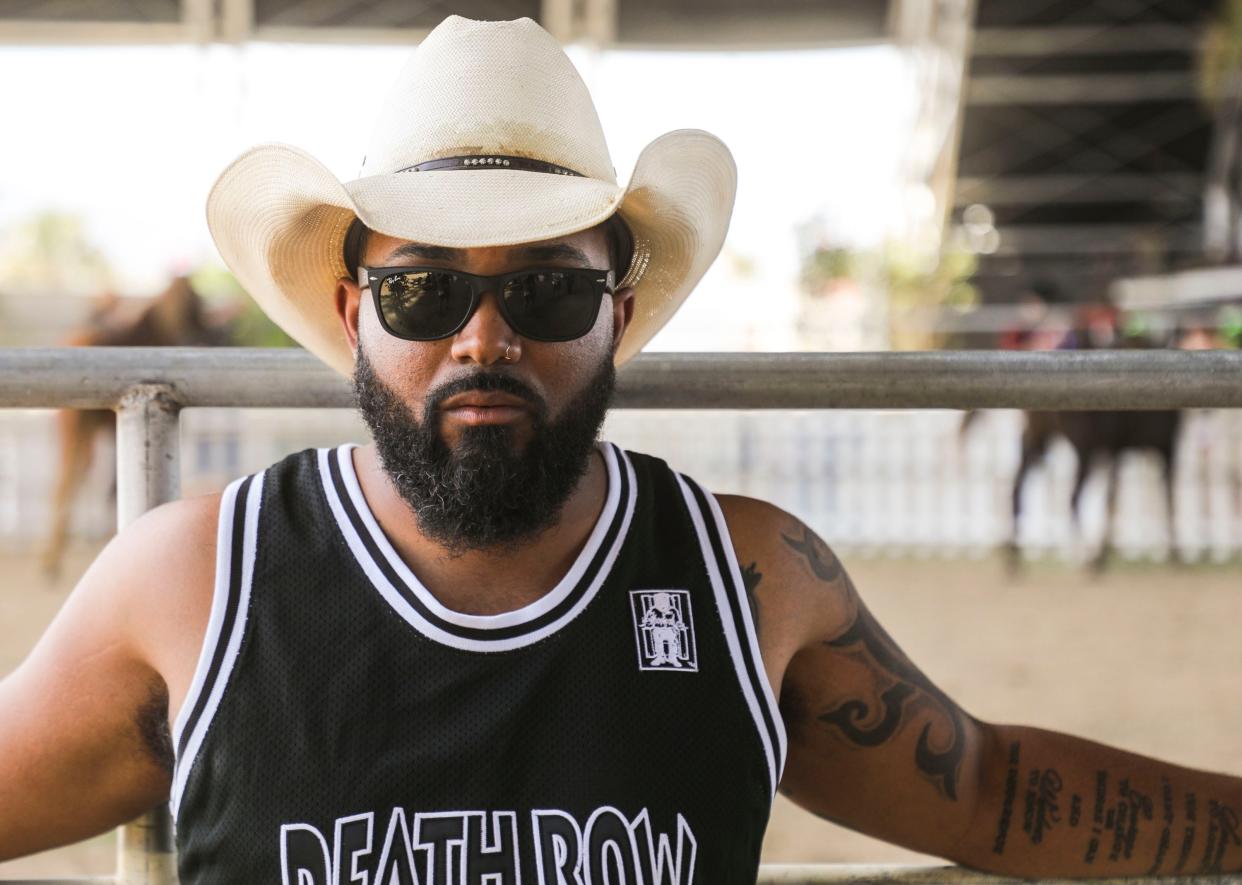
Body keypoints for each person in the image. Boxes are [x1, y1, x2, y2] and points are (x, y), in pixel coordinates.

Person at [2, 15, 1241, 884]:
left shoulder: (752, 580)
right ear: (350, 314)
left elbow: (986, 794)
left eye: (543, 290)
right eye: (425, 295)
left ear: (619, 312)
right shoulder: (197, 584)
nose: (484, 340)